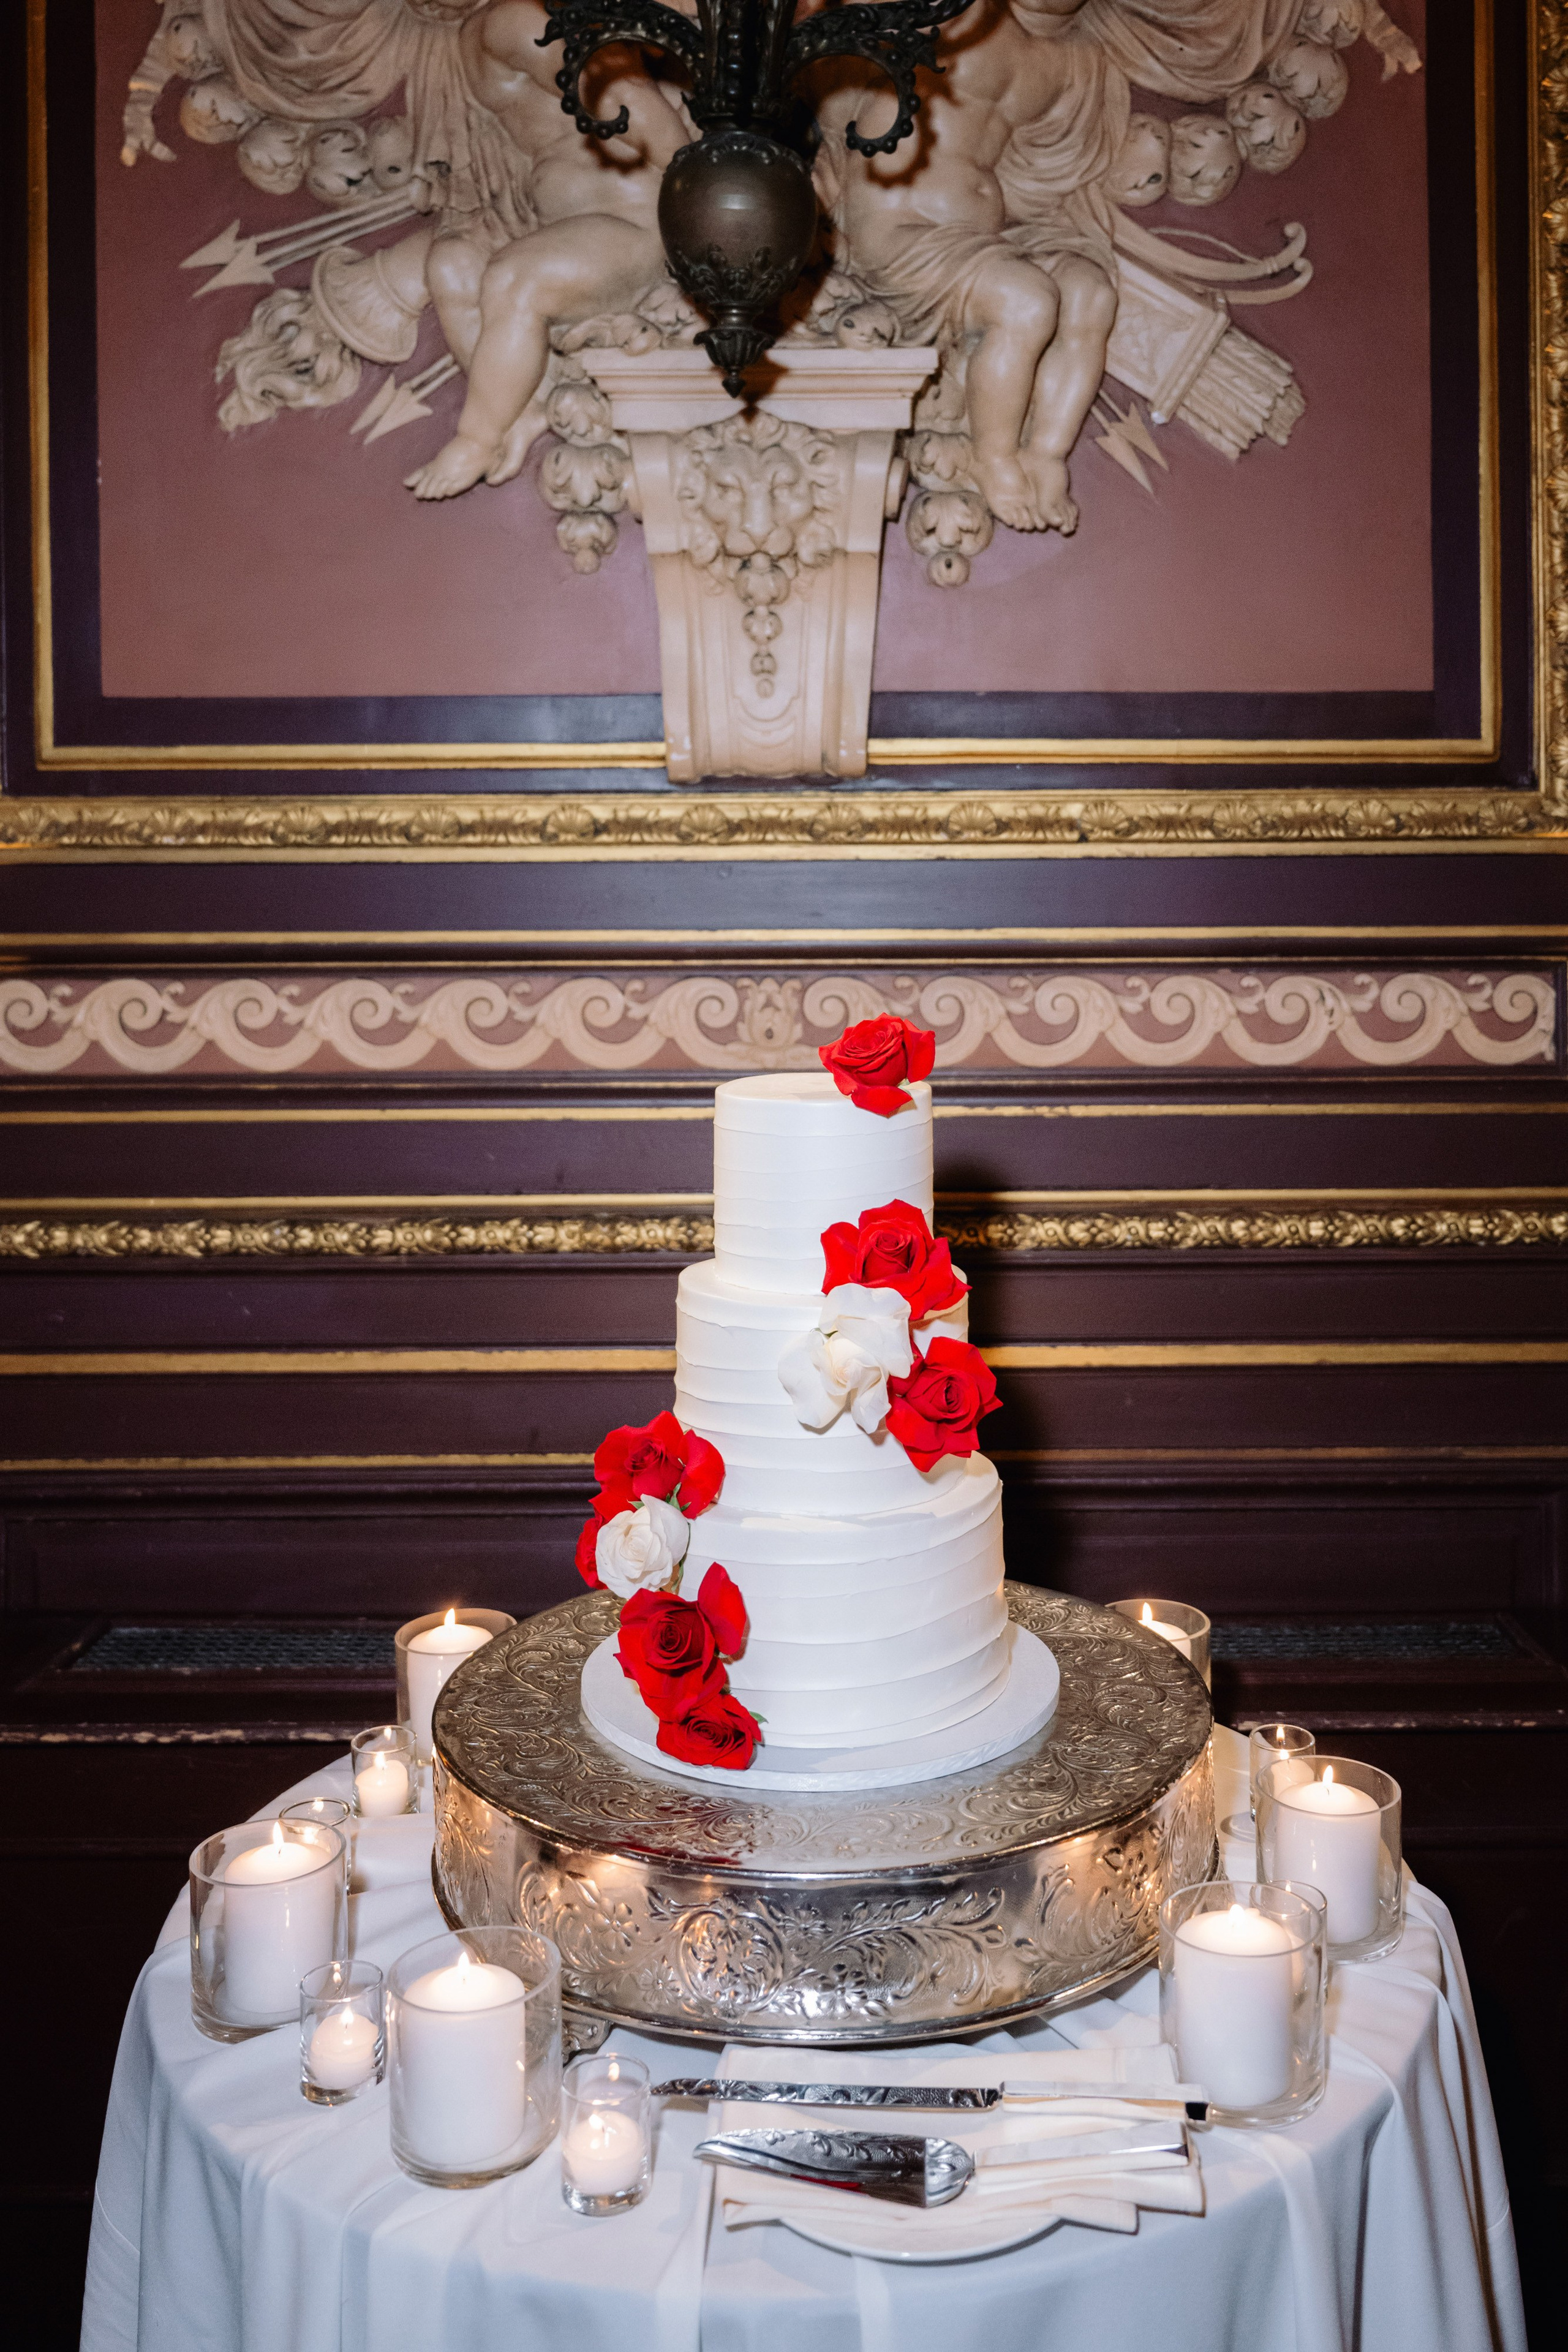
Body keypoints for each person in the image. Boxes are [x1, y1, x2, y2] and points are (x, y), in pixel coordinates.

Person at [813, 0, 1121, 535]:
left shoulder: (1069, 63)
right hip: (898, 228)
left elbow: (1042, 165)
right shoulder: (958, 11)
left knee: (1089, 289)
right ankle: (993, 457)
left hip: (983, 238)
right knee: (1025, 301)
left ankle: (1045, 454)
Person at [402, 0, 692, 498]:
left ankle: (477, 437)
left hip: (635, 225)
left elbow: (620, 99)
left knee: (518, 277)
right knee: (452, 265)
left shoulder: (512, 20)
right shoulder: (493, 25)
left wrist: (702, 183)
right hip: (567, 227)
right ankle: (522, 405)